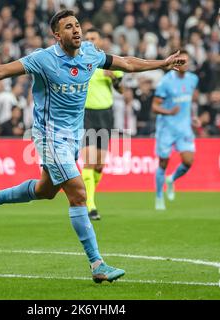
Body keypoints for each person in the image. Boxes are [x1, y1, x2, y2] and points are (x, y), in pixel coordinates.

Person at [0, 10, 185, 283]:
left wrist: (163, 63)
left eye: (77, 26)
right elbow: (2, 71)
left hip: (73, 136)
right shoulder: (43, 59)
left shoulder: (90, 54)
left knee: (46, 190)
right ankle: (97, 263)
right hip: (49, 136)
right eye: (68, 27)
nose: (76, 31)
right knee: (78, 193)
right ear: (57, 34)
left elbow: (126, 63)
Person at [81, 28, 123, 221]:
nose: (90, 41)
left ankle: (89, 197)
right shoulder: (80, 60)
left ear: (100, 41)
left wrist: (113, 78)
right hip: (87, 114)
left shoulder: (109, 61)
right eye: (87, 38)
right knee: (89, 160)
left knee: (99, 165)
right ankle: (89, 205)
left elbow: (121, 89)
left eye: (93, 38)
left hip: (106, 115)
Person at [152, 50, 199, 210]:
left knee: (188, 161)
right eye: (181, 61)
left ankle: (171, 179)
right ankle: (159, 197)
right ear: (175, 63)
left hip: (184, 128)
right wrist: (169, 112)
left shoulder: (193, 79)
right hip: (167, 128)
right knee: (163, 163)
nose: (184, 64)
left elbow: (190, 102)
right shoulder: (165, 82)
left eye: (186, 61)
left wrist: (193, 117)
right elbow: (154, 106)